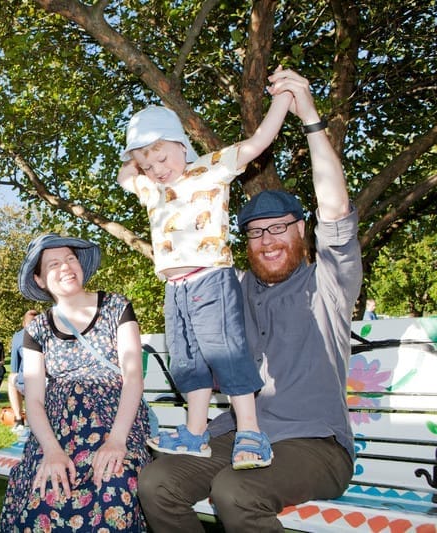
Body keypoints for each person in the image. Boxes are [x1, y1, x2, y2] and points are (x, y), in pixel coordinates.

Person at [138, 69, 362, 532]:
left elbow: (336, 209)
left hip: (314, 444)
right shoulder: (234, 289)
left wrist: (310, 119)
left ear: (301, 231)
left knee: (235, 491)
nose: (268, 240)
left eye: (279, 227)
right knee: (157, 483)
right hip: (239, 435)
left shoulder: (328, 284)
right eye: (256, 233)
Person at [117, 71, 294, 467]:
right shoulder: (151, 188)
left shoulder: (210, 169)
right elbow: (124, 174)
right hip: (175, 288)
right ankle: (195, 433)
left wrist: (283, 98)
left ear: (182, 145)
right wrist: (137, 157)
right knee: (186, 361)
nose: (157, 168)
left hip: (210, 279)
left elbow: (258, 142)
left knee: (225, 353)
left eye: (163, 157)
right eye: (148, 164)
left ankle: (250, 431)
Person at [0, 234, 151, 531]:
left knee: (114, 487)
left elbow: (133, 376)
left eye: (70, 258)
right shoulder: (37, 329)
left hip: (114, 423)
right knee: (43, 497)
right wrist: (51, 451)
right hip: (57, 432)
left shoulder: (115, 306)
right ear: (40, 279)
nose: (65, 267)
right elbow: (34, 400)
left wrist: (117, 440)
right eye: (53, 264)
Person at [7, 309, 39, 436]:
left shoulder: (19, 336)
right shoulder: (49, 334)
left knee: (11, 378)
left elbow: (14, 366)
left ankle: (19, 419)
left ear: (24, 323)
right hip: (47, 379)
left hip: (30, 379)